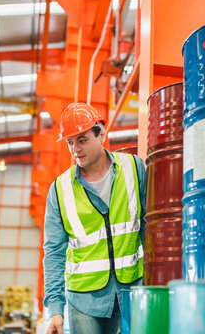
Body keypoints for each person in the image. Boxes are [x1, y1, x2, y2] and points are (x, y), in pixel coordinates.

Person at [43, 103, 146, 334]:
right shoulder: (60, 189)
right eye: (70, 142)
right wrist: (56, 308)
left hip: (130, 291)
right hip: (83, 300)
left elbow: (149, 229)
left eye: (82, 139)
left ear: (102, 134)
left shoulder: (134, 168)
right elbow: (53, 252)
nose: (75, 149)